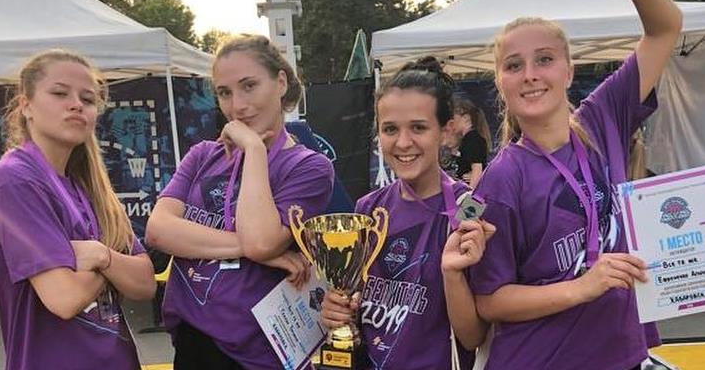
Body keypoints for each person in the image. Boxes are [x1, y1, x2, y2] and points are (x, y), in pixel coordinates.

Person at [468, 0, 683, 370]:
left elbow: (665, 28)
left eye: (544, 59)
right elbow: (490, 300)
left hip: (621, 354)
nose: (530, 74)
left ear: (568, 71)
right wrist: (583, 287)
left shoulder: (602, 119)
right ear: (501, 83)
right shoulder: (503, 179)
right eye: (514, 65)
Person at [145, 35, 335, 369]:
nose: (238, 106)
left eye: (249, 86)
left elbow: (261, 241)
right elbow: (158, 231)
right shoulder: (203, 155)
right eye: (224, 92)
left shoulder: (308, 167)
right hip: (193, 338)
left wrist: (255, 150)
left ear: (280, 82)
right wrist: (252, 250)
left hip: (258, 349)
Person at [0, 49, 157, 370]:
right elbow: (65, 298)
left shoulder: (88, 187)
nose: (76, 104)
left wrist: (101, 256)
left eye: (88, 99)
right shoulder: (14, 181)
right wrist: (113, 266)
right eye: (60, 93)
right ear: (26, 105)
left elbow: (145, 283)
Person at [320, 56, 495, 369]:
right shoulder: (367, 208)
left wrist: (452, 273)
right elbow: (357, 306)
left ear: (445, 131)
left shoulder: (469, 207)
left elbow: (472, 338)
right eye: (390, 129)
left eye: (418, 127)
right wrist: (338, 310)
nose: (403, 142)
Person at [452, 97, 492, 188]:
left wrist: (470, 193)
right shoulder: (466, 140)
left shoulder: (473, 139)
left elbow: (477, 169)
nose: (451, 123)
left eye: (453, 118)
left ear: (465, 118)